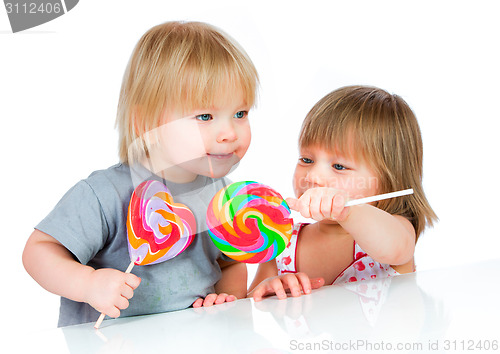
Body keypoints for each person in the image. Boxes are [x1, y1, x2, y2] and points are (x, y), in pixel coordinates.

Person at [23, 21, 259, 326]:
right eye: (205, 116)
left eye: (240, 114)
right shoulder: (104, 193)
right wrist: (87, 283)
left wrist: (226, 299)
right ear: (145, 122)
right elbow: (38, 251)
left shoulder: (222, 194)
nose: (229, 132)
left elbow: (230, 263)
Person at [249, 85, 437, 301]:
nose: (313, 176)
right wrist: (269, 288)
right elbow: (250, 304)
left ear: (390, 181)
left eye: (339, 166)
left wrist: (347, 211)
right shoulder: (281, 241)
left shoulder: (397, 232)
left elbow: (395, 248)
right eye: (306, 160)